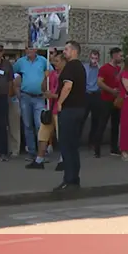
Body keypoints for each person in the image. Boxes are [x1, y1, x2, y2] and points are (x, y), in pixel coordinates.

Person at [54, 41, 87, 193]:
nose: (64, 51)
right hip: (80, 109)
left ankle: (69, 179)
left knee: (66, 145)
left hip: (70, 110)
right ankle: (75, 179)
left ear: (74, 51)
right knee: (74, 146)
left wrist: (60, 102)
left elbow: (68, 86)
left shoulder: (71, 67)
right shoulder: (80, 67)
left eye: (66, 49)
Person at [14, 47, 49, 162]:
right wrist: (17, 90)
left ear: (36, 50)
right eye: (27, 49)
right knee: (27, 125)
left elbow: (51, 74)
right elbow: (13, 74)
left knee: (40, 125)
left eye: (31, 49)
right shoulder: (21, 62)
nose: (28, 51)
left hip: (39, 97)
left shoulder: (43, 61)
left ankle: (42, 152)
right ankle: (31, 151)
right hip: (25, 96)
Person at [29, 52, 63, 170]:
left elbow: (66, 94)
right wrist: (45, 77)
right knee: (42, 135)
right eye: (54, 61)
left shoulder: (66, 76)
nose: (55, 64)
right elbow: (44, 88)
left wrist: (52, 96)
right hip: (49, 108)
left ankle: (63, 160)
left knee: (61, 136)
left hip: (60, 109)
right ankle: (39, 160)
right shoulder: (52, 74)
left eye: (57, 61)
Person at [94, 48, 124, 158]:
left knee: (115, 125)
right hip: (106, 100)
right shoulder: (104, 68)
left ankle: (114, 148)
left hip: (116, 101)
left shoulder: (119, 69)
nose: (121, 58)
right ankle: (97, 148)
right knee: (102, 124)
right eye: (120, 55)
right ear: (114, 55)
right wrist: (111, 90)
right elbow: (99, 83)